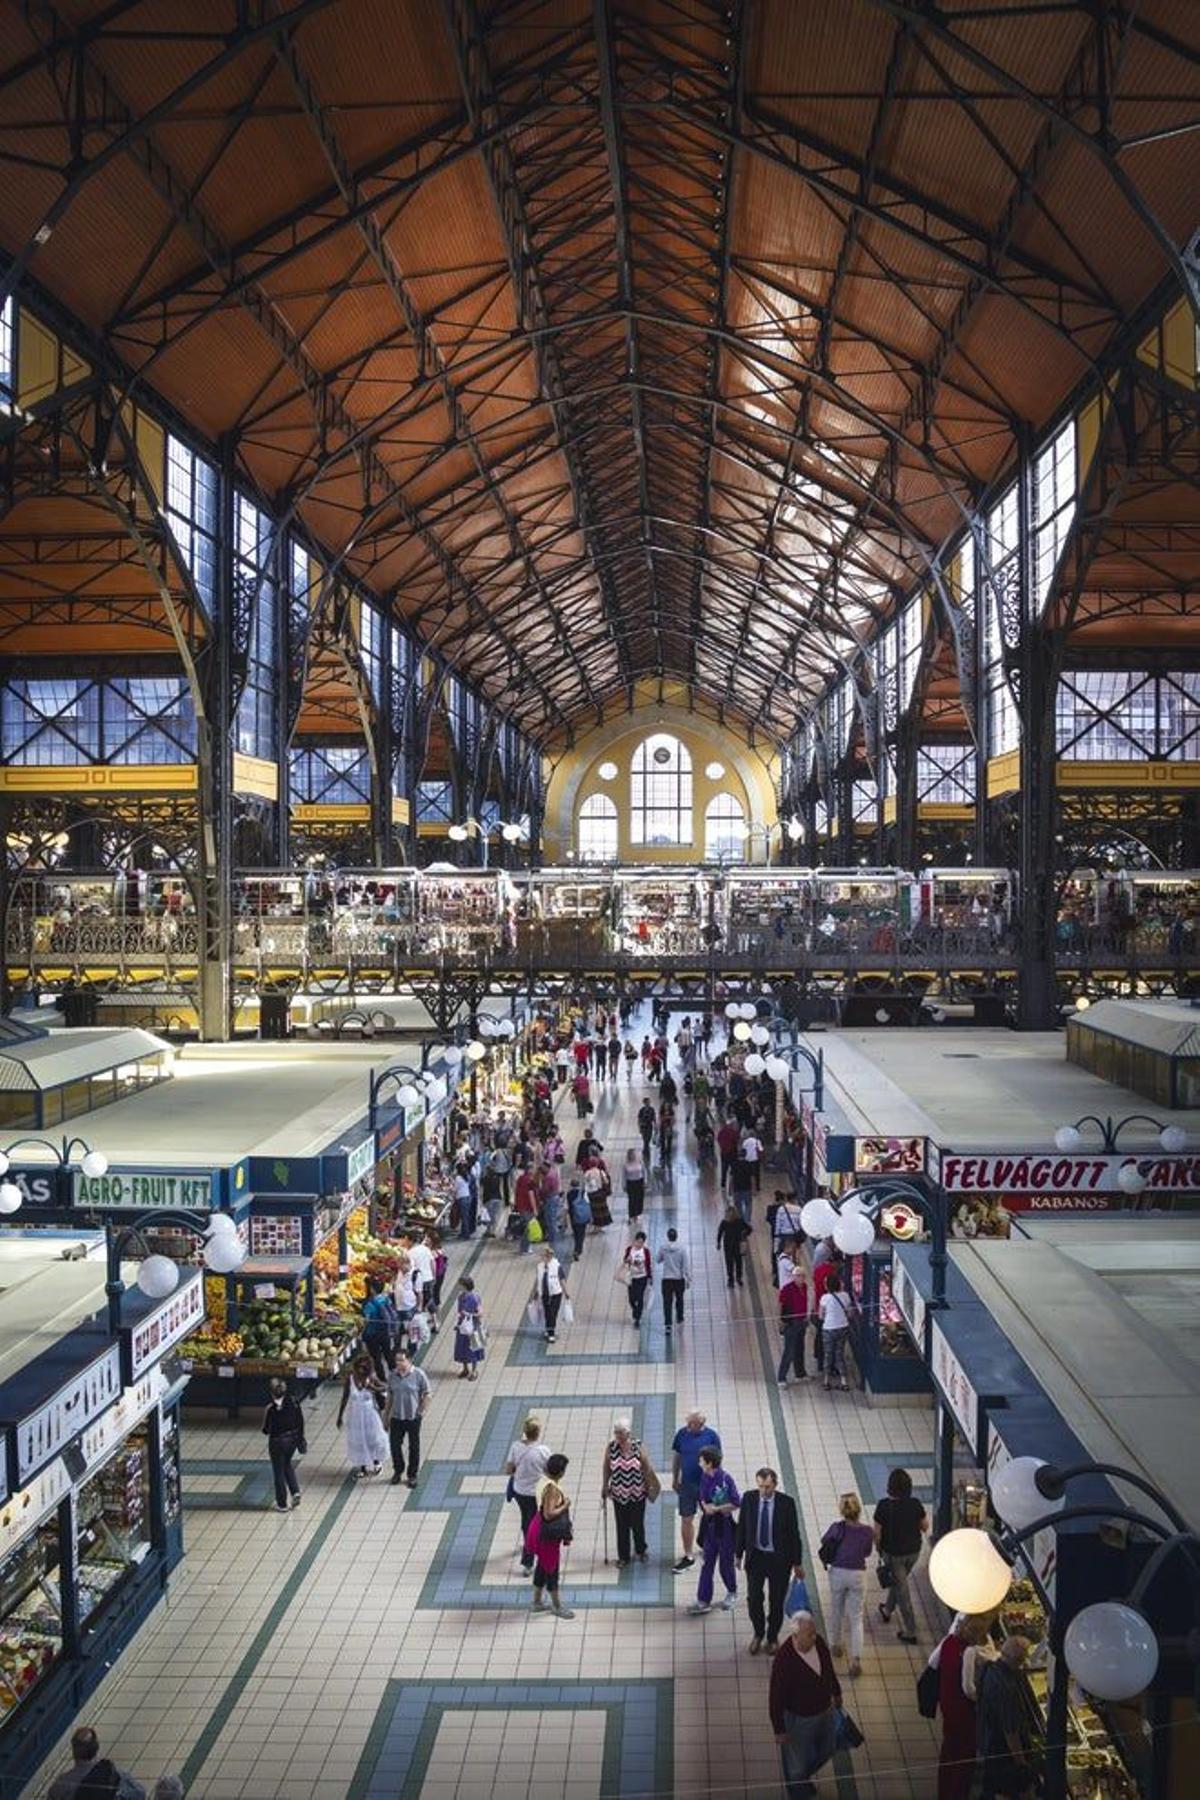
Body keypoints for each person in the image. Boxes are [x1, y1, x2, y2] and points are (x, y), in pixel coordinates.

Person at [769, 1611, 842, 1800]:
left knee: (828, 1748)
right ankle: (798, 1790)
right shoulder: (785, 1660)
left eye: (814, 1632)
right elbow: (775, 1697)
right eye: (809, 1634)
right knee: (797, 1764)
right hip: (800, 1719)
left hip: (825, 1710)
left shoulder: (819, 1644)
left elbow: (828, 1669)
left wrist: (836, 1691)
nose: (814, 1637)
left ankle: (801, 1778)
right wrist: (779, 1729)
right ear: (795, 1636)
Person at [736, 1467, 805, 1653]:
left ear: (775, 1484)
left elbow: (794, 1535)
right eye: (760, 1487)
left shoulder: (786, 1504)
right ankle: (759, 1633)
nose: (764, 1492)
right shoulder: (749, 1499)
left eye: (767, 1487)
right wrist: (738, 1554)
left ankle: (772, 1636)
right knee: (754, 1599)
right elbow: (742, 1527)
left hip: (779, 1561)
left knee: (777, 1600)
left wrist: (798, 1563)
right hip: (756, 1558)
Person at [933, 1615, 996, 1800]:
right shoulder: (968, 1651)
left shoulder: (949, 1641)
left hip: (947, 1700)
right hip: (961, 1709)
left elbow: (934, 1663)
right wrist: (980, 1699)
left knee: (949, 1750)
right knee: (964, 1753)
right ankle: (957, 1792)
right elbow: (968, 1688)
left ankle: (944, 1790)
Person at [819, 1492, 875, 1677]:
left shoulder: (837, 1528)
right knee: (856, 1617)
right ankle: (856, 1659)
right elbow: (867, 1553)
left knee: (837, 1610)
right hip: (858, 1574)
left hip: (838, 1573)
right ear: (858, 1510)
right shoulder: (867, 1531)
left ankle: (836, 1645)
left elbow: (824, 1542)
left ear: (842, 1510)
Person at [976, 1637, 1040, 1798]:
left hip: (988, 1739)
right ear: (1018, 1660)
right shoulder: (1007, 1688)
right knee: (1005, 1788)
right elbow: (1010, 1730)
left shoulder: (989, 1668)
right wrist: (1021, 1761)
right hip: (1002, 1750)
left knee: (991, 1784)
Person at [873, 1466, 928, 1644]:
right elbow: (925, 1526)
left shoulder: (883, 1506)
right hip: (914, 1553)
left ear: (890, 1487)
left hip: (893, 1555)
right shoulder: (915, 1504)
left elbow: (877, 1534)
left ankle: (910, 1631)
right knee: (899, 1583)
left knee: (902, 1592)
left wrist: (878, 1550)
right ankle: (887, 1610)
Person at [686, 1447, 741, 1615]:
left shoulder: (726, 1479)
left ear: (709, 1463)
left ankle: (731, 1592)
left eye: (701, 1461)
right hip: (709, 1527)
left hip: (724, 1528)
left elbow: (736, 1502)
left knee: (725, 1564)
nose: (699, 1463)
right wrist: (705, 1506)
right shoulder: (704, 1477)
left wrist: (716, 1509)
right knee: (707, 1563)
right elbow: (702, 1497)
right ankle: (703, 1600)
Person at [600, 1416, 656, 1566]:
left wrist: (649, 1485)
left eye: (620, 1432)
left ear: (627, 1432)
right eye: (616, 1432)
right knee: (622, 1525)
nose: (617, 1436)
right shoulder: (611, 1447)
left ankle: (641, 1549)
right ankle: (623, 1556)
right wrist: (605, 1485)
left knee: (637, 1524)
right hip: (618, 1493)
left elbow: (646, 1467)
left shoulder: (638, 1446)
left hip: (637, 1491)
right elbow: (606, 1467)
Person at [670, 1409, 721, 1572]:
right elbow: (677, 1456)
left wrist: (716, 1481)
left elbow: (718, 1461)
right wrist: (675, 1477)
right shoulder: (681, 1434)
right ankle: (688, 1554)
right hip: (686, 1484)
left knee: (710, 1516)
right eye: (688, 1423)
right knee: (686, 1518)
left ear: (701, 1424)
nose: (689, 1426)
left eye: (693, 1424)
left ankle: (709, 1546)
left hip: (706, 1484)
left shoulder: (712, 1436)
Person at [527, 1452, 575, 1619]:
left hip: (536, 1528)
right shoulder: (552, 1489)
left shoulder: (543, 1480)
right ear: (561, 1472)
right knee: (552, 1570)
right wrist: (566, 1505)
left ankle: (536, 1601)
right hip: (546, 1536)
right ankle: (557, 1606)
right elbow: (549, 1513)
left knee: (542, 1565)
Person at [505, 1416, 551, 1571]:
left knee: (527, 1520)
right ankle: (530, 1558)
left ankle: (528, 1554)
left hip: (520, 1492)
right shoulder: (544, 1451)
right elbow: (550, 1472)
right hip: (537, 1493)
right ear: (538, 1432)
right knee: (535, 1523)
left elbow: (508, 1470)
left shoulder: (515, 1447)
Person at [49, 1729, 145, 1800]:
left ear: (74, 1752)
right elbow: (140, 1794)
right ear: (97, 1747)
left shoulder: (62, 1785)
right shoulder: (116, 1774)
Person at [384, 1348, 431, 1487]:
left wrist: (421, 1411)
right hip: (397, 1417)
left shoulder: (418, 1375)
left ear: (409, 1360)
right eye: (397, 1360)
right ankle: (398, 1471)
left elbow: (427, 1394)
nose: (398, 1363)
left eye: (401, 1360)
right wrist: (386, 1415)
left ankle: (412, 1475)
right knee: (395, 1446)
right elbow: (390, 1396)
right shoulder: (392, 1375)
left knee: (414, 1446)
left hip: (413, 1417)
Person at [336, 1354, 388, 1478]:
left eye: (364, 1368)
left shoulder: (371, 1377)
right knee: (359, 1439)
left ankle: (377, 1462)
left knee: (373, 1438)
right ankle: (363, 1466)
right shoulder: (350, 1378)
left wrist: (372, 1388)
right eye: (358, 1367)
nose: (360, 1370)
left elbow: (385, 1388)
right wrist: (340, 1416)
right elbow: (345, 1397)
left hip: (370, 1414)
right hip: (355, 1414)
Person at [261, 1376, 306, 1511]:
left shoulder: (271, 1408)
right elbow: (300, 1421)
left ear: (271, 1393)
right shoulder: (294, 1402)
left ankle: (282, 1503)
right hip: (292, 1440)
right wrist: (300, 1438)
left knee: (278, 1471)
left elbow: (266, 1429)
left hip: (277, 1442)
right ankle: (295, 1491)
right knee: (287, 1464)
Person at [817, 1272, 855, 1391]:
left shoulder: (824, 1298)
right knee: (839, 1354)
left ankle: (826, 1381)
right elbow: (850, 1313)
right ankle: (844, 1381)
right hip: (843, 1327)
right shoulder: (845, 1296)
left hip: (828, 1329)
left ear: (827, 1285)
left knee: (828, 1355)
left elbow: (820, 1316)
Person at [777, 1265, 809, 1383]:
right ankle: (781, 1377)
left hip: (802, 1322)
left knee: (800, 1348)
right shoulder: (787, 1289)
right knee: (789, 1351)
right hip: (791, 1323)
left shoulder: (804, 1287)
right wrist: (780, 1320)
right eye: (798, 1276)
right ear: (793, 1277)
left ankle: (800, 1373)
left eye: (803, 1276)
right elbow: (781, 1304)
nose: (801, 1278)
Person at [657, 1227, 690, 1331]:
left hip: (666, 1278)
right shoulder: (682, 1249)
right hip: (678, 1278)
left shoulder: (663, 1247)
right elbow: (685, 1265)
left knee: (667, 1302)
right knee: (679, 1299)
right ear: (676, 1236)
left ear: (668, 1236)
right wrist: (688, 1277)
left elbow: (658, 1259)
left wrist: (665, 1258)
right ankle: (679, 1317)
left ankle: (668, 1323)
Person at [453, 1275, 485, 1381]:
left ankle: (474, 1370)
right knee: (462, 1348)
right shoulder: (461, 1297)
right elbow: (459, 1311)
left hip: (473, 1327)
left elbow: (480, 1313)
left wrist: (469, 1314)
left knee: (472, 1349)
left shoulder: (474, 1297)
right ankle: (465, 1368)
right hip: (462, 1327)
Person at [535, 1242, 568, 1342]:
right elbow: (538, 1279)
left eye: (545, 1256)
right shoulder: (540, 1266)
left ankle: (551, 1333)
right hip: (544, 1293)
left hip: (555, 1293)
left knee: (552, 1313)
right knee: (547, 1312)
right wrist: (535, 1292)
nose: (543, 1258)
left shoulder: (556, 1266)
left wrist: (566, 1292)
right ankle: (549, 1328)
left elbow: (562, 1279)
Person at [717, 1203, 751, 1288]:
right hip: (733, 1245)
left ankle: (735, 1278)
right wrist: (718, 1242)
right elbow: (720, 1232)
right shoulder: (730, 1222)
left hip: (732, 1245)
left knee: (734, 1262)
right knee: (734, 1262)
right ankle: (734, 1279)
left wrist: (744, 1234)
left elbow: (749, 1229)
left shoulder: (732, 1221)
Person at [622, 1230, 652, 1326]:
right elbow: (625, 1259)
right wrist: (627, 1259)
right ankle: (635, 1310)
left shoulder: (646, 1252)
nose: (639, 1244)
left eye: (641, 1242)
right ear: (635, 1241)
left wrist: (650, 1277)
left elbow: (648, 1264)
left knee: (640, 1297)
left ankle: (637, 1319)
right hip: (631, 1277)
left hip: (642, 1277)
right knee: (631, 1298)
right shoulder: (630, 1249)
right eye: (638, 1241)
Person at [567, 1179, 592, 1258]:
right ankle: (578, 1249)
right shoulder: (583, 1193)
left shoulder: (569, 1194)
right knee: (581, 1233)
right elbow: (588, 1204)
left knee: (576, 1233)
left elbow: (567, 1206)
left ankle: (576, 1249)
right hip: (583, 1217)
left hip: (573, 1216)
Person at [623, 1145, 646, 1223]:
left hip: (639, 1182)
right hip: (631, 1183)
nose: (633, 1156)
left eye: (634, 1154)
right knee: (632, 1199)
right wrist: (624, 1185)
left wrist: (645, 1182)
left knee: (639, 1199)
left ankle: (637, 1214)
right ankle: (631, 1215)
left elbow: (644, 1172)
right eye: (631, 1155)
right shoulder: (626, 1164)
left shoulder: (640, 1162)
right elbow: (624, 1175)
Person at [716, 1115, 739, 1188]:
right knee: (733, 1169)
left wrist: (722, 1146)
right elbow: (736, 1140)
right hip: (732, 1152)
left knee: (724, 1169)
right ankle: (733, 1184)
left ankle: (723, 1184)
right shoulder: (733, 1132)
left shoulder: (722, 1131)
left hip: (724, 1153)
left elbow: (718, 1138)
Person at [740, 1125, 763, 1191]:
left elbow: (743, 1150)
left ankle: (748, 1186)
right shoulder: (757, 1141)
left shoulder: (745, 1141)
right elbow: (761, 1150)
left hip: (747, 1159)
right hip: (755, 1159)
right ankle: (757, 1187)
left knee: (747, 1174)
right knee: (756, 1174)